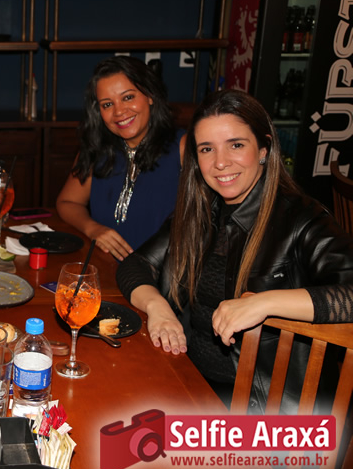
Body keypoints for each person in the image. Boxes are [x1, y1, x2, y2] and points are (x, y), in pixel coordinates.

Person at [116, 89, 353, 412]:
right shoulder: (200, 211)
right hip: (190, 385)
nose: (220, 162)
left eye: (236, 145)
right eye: (207, 149)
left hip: (267, 413)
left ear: (264, 149)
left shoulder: (302, 219)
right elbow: (134, 265)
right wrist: (158, 307)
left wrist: (265, 303)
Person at [56, 56, 184, 261]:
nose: (119, 112)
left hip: (158, 275)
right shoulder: (97, 148)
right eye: (107, 104)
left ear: (150, 95)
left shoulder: (183, 147)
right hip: (105, 269)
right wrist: (92, 228)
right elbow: (67, 202)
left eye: (128, 97)